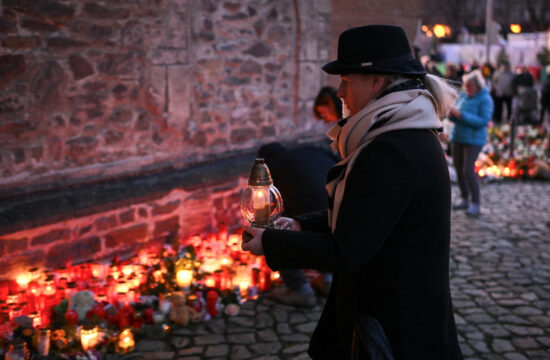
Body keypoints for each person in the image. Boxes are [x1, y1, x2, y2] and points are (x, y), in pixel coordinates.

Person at [242, 25, 463, 359]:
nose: (340, 93)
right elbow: (366, 214)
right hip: (393, 311)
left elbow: (348, 249)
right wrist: (302, 224)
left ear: (376, 81)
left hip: (394, 327)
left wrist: (270, 243)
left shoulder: (393, 148)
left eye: (346, 80)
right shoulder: (399, 136)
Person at [258, 143, 338, 306]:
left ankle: (299, 289)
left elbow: (267, 211)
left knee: (272, 234)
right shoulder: (310, 150)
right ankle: (328, 281)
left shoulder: (269, 170)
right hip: (342, 203)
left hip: (314, 212)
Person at [449, 69, 494, 218]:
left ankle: (475, 202)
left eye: (470, 86)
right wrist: (452, 114)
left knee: (468, 171)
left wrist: (462, 115)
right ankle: (464, 198)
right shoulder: (463, 95)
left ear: (477, 85)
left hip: (474, 139)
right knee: (459, 169)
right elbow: (457, 117)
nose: (467, 89)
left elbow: (483, 121)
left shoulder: (485, 99)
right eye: (465, 86)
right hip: (458, 137)